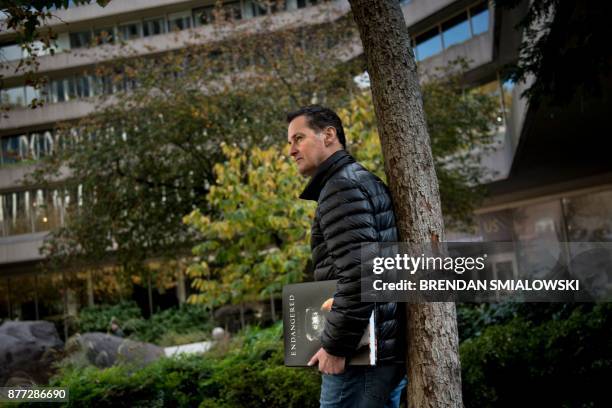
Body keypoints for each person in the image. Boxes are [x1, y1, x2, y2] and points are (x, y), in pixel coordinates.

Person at [287, 106, 406, 408]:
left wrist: (336, 347)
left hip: (360, 356)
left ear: (329, 135)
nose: (291, 150)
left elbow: (361, 276)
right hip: (376, 349)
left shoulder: (342, 187)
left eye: (298, 138)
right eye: (290, 142)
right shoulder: (355, 181)